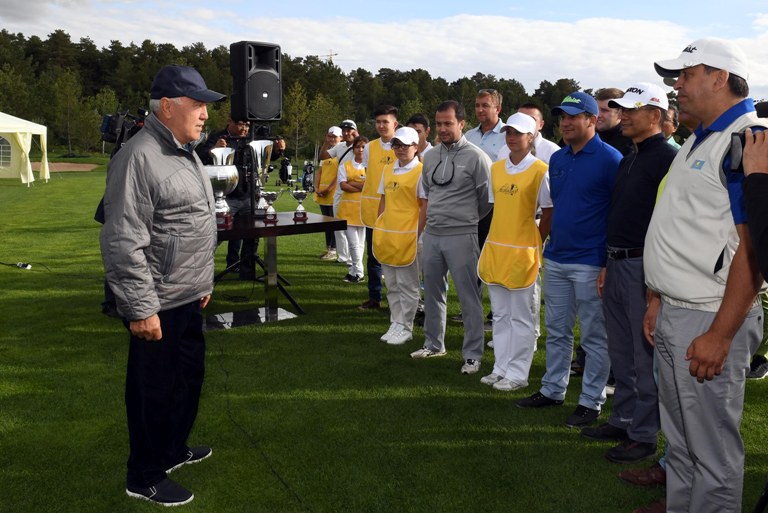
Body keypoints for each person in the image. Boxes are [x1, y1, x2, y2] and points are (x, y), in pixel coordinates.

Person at [644, 37, 766, 513]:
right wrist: (657, 298)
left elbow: (752, 249)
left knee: (711, 452)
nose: (677, 85)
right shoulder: (703, 137)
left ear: (720, 79)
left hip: (710, 317)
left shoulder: (747, 139)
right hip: (678, 310)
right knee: (681, 444)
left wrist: (721, 334)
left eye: (686, 75)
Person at [100, 65, 225, 506]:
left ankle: (172, 449)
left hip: (187, 295)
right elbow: (123, 239)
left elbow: (190, 225)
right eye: (198, 105)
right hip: (156, 300)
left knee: (186, 380)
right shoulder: (138, 156)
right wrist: (141, 309)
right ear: (167, 107)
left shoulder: (185, 151)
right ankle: (144, 475)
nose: (205, 115)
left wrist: (202, 281)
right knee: (153, 390)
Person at [580, 83, 677, 466]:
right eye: (622, 109)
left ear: (654, 115)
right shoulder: (630, 158)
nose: (623, 116)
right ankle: (622, 420)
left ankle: (643, 435)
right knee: (621, 351)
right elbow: (619, 215)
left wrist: (655, 285)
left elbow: (668, 225)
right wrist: (607, 263)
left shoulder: (668, 159)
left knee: (642, 356)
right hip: (618, 262)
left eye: (632, 110)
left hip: (644, 267)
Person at [516, 91, 621, 429]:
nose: (565, 122)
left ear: (592, 120)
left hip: (591, 260)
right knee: (557, 331)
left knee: (594, 337)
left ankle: (591, 401)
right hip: (558, 256)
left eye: (573, 116)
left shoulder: (610, 159)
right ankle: (552, 389)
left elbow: (617, 214)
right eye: (562, 116)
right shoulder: (559, 159)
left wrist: (606, 262)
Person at [410, 100, 492, 375]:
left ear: (462, 123)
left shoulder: (477, 157)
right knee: (433, 293)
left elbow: (486, 201)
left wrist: (464, 220)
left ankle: (472, 355)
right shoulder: (431, 156)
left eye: (448, 123)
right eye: (439, 124)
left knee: (469, 298)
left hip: (462, 235)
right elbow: (429, 191)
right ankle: (434, 344)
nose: (443, 128)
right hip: (433, 234)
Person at [478, 112, 552, 391]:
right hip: (497, 248)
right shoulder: (497, 169)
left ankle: (518, 373)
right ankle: (500, 367)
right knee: (499, 314)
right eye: (509, 132)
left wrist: (535, 242)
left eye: (518, 133)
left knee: (522, 316)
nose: (512, 137)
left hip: (523, 251)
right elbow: (496, 207)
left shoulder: (540, 170)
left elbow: (548, 212)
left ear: (531, 137)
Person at [373, 127, 426, 345]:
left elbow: (425, 206)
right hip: (389, 235)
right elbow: (383, 200)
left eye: (405, 145)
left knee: (408, 285)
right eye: (396, 145)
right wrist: (380, 225)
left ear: (416, 147)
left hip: (410, 236)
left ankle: (406, 326)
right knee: (392, 284)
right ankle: (395, 322)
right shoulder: (388, 169)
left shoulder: (421, 171)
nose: (400, 149)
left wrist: (416, 234)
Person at [195, 116, 256, 276]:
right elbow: (199, 156)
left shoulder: (249, 139)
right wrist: (213, 149)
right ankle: (200, 268)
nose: (244, 129)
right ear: (230, 121)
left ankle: (245, 270)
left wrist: (277, 150)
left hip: (247, 195)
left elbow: (262, 157)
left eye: (247, 125)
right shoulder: (217, 136)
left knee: (250, 234)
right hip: (225, 196)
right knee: (217, 234)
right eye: (241, 124)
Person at [360, 105, 398, 310]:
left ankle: (397, 301)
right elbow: (370, 175)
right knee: (373, 256)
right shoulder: (369, 147)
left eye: (386, 122)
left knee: (395, 256)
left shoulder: (402, 145)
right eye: (378, 122)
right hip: (373, 209)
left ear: (395, 124)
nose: (381, 126)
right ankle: (374, 297)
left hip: (396, 210)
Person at [321, 119, 359, 265]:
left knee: (353, 226)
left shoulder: (361, 146)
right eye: (344, 130)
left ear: (355, 131)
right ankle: (342, 256)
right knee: (338, 224)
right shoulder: (340, 146)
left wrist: (358, 139)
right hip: (339, 190)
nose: (347, 133)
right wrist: (326, 142)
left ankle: (353, 259)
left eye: (349, 130)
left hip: (354, 191)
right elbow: (323, 156)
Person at [337, 135, 369, 284]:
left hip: (363, 209)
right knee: (353, 242)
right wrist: (361, 186)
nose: (360, 150)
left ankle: (355, 272)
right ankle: (358, 271)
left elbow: (369, 186)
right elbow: (343, 186)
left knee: (360, 243)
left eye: (363, 147)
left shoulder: (371, 167)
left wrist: (352, 183)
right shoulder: (345, 166)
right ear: (353, 149)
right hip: (348, 209)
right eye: (357, 147)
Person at [496, 103, 561, 164]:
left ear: (541, 125)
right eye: (519, 119)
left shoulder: (553, 152)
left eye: (531, 120)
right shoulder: (504, 151)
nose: (524, 123)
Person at [315, 126, 342, 261]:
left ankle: (334, 250)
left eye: (334, 137)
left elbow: (339, 175)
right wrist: (316, 187)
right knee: (325, 223)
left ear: (340, 138)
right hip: (322, 193)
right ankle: (328, 248)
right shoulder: (325, 153)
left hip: (333, 193)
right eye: (330, 136)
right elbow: (319, 172)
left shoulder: (341, 153)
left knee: (333, 222)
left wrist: (328, 189)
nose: (332, 139)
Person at [595, 87, 634, 156]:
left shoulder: (631, 144)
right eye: (596, 109)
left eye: (604, 110)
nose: (598, 115)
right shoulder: (587, 137)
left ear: (620, 114)